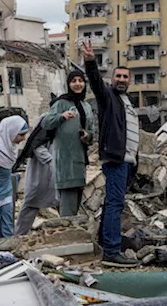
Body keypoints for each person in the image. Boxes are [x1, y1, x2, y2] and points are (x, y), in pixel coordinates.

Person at [81, 39, 139, 267]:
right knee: (115, 203)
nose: (122, 80)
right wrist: (90, 62)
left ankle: (107, 244)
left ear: (130, 81)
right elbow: (95, 82)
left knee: (112, 203)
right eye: (118, 76)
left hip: (126, 161)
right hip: (115, 158)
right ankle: (112, 251)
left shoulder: (127, 101)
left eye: (125, 77)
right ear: (112, 79)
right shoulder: (109, 98)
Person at [42, 69, 96, 217]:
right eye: (74, 81)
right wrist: (62, 116)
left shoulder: (86, 106)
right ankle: (66, 237)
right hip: (65, 162)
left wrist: (87, 136)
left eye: (80, 81)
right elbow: (46, 123)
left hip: (80, 160)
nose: (77, 84)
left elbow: (92, 131)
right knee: (67, 208)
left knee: (76, 203)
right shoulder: (61, 103)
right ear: (68, 84)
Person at [12, 112, 58, 236]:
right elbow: (38, 147)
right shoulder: (42, 131)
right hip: (40, 175)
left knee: (62, 203)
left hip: (55, 176)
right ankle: (18, 236)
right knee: (31, 203)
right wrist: (52, 161)